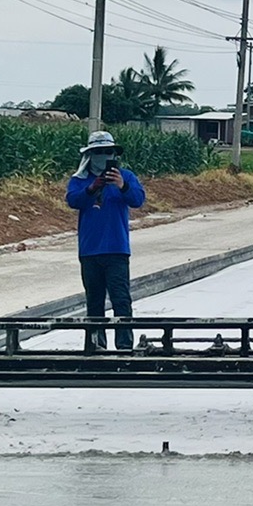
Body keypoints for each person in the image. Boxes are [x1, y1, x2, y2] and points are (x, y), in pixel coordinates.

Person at [66, 129, 146, 350]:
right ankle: (96, 346)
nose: (103, 156)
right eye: (98, 152)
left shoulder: (126, 176)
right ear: (89, 155)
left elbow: (138, 199)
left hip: (117, 249)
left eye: (107, 152)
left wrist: (121, 185)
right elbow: (73, 200)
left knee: (121, 300)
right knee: (94, 302)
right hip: (90, 250)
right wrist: (92, 188)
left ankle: (124, 347)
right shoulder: (80, 180)